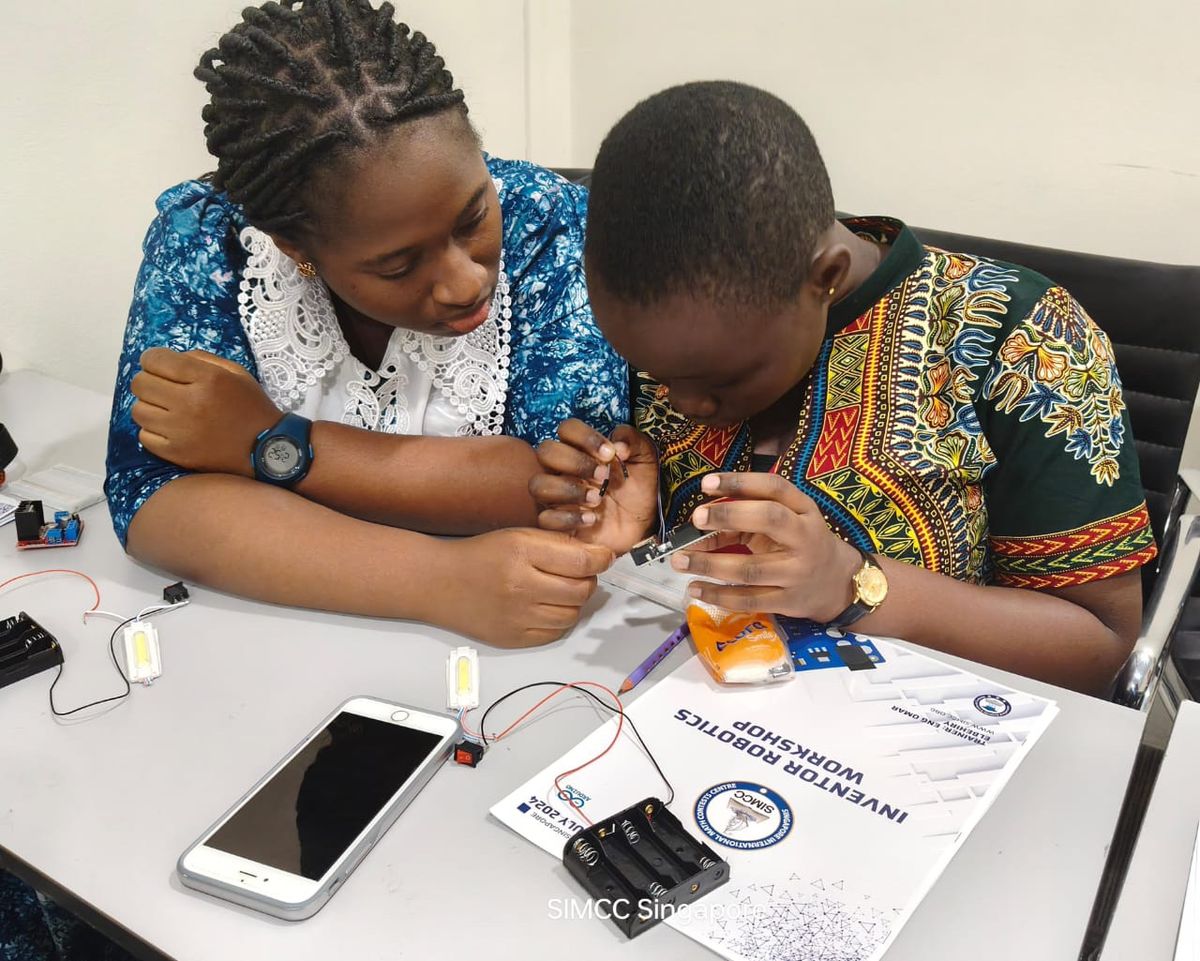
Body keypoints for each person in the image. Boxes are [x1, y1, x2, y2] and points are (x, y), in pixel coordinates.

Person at [531, 81, 1156, 696]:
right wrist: (636, 540)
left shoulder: (1021, 336)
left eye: (721, 381)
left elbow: (1098, 645)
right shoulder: (664, 322)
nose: (684, 405)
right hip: (685, 700)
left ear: (825, 276)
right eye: (654, 373)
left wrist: (853, 584)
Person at [105, 0, 624, 648]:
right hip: (277, 649)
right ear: (297, 252)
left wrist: (264, 442)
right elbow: (155, 503)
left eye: (472, 218)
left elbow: (562, 485)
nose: (466, 280)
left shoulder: (545, 220)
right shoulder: (206, 241)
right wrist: (436, 579)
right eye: (398, 264)